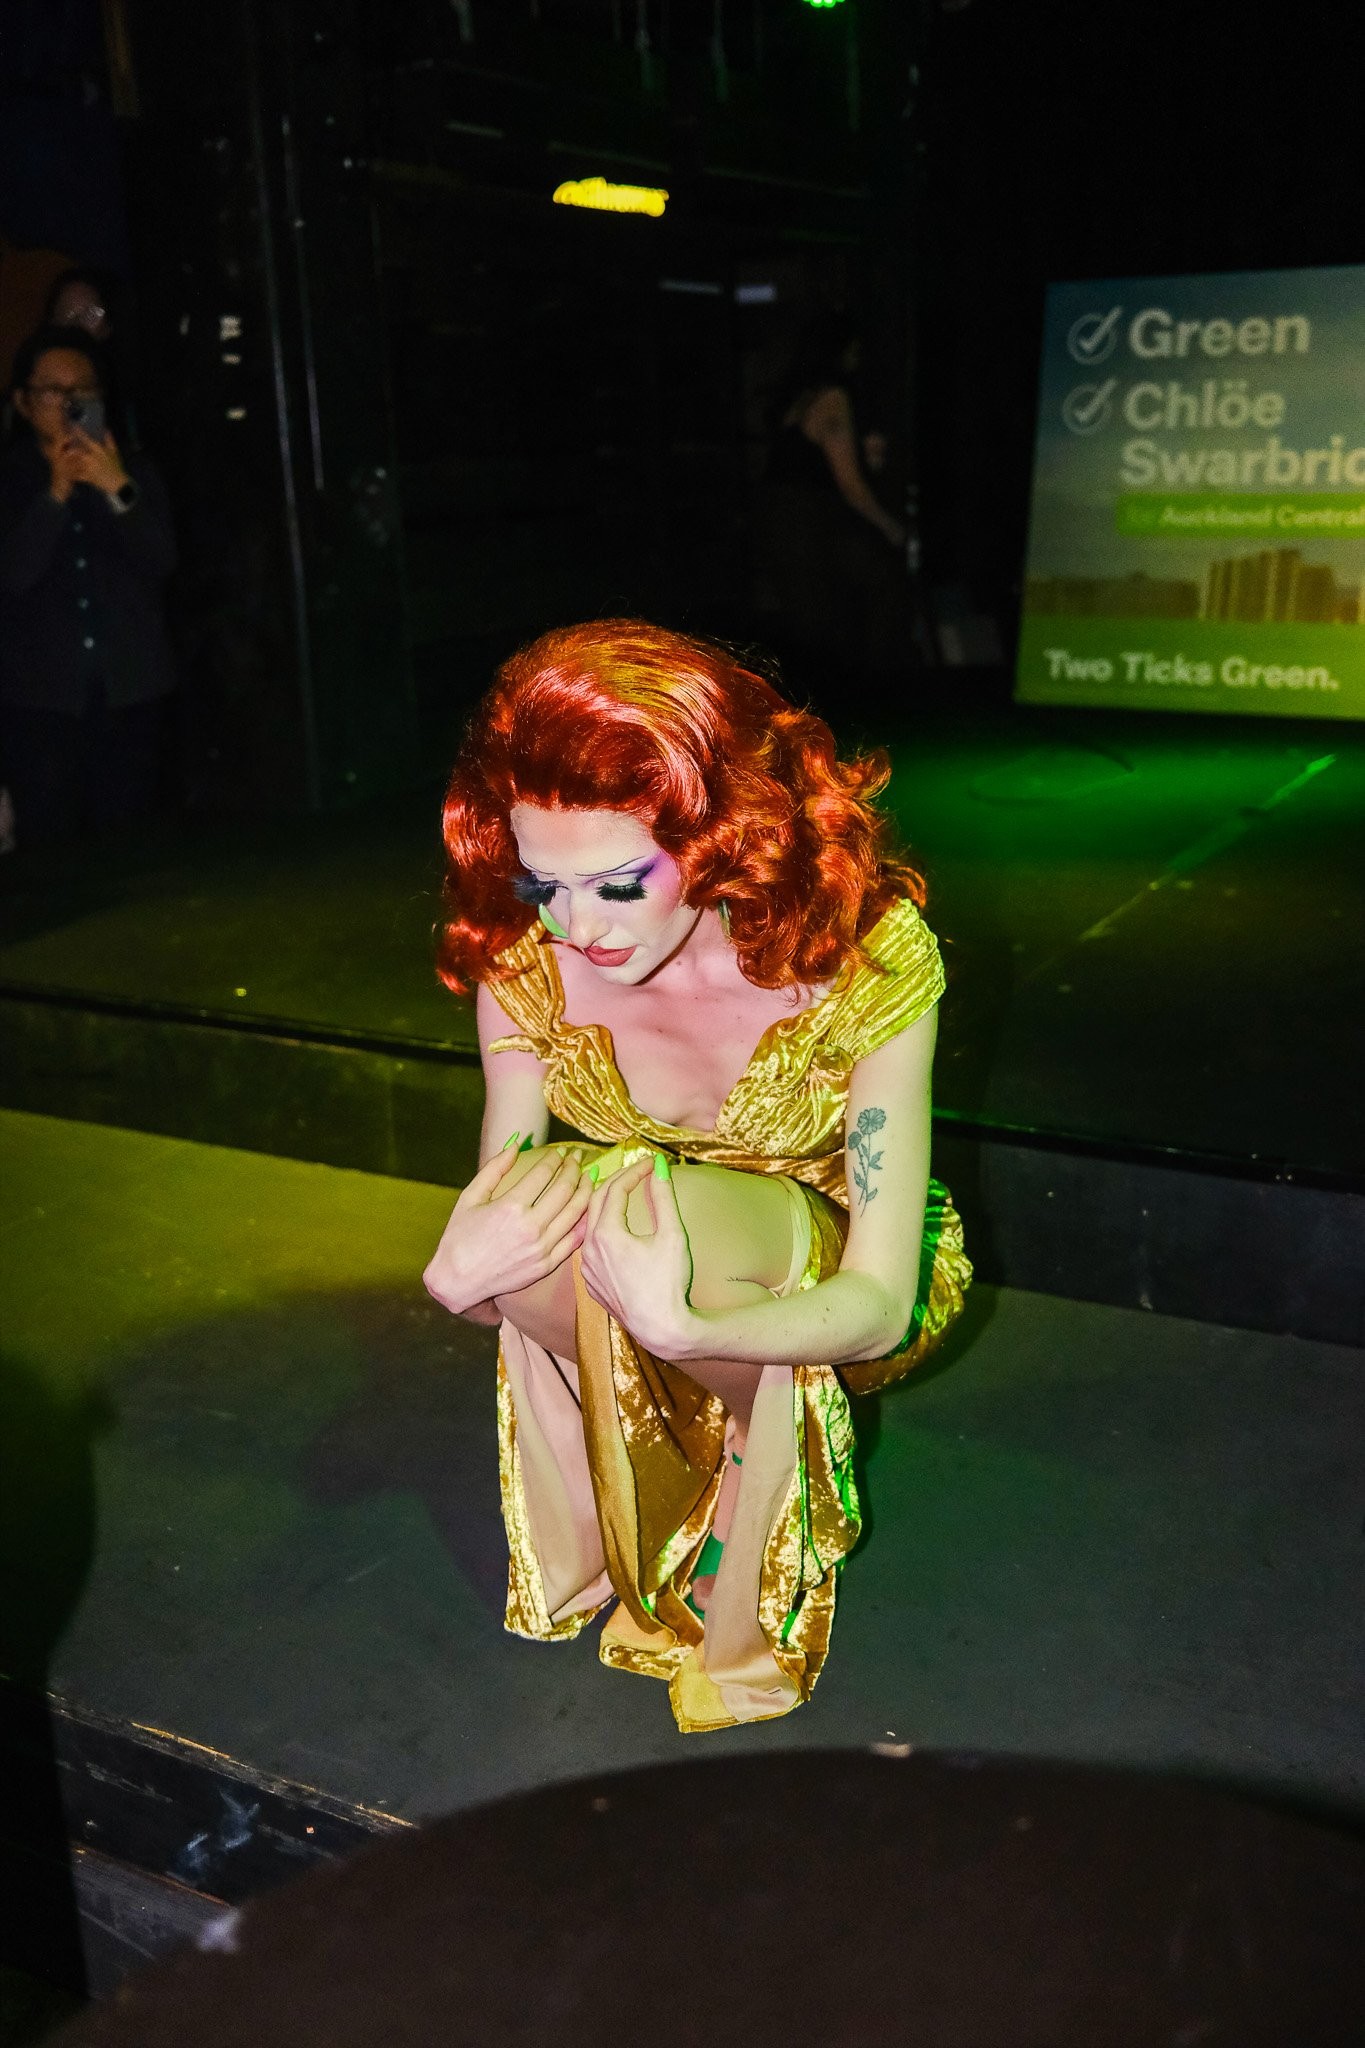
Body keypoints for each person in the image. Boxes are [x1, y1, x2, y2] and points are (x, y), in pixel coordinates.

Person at [422, 620, 971, 1732]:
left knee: (631, 1200)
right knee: (557, 1218)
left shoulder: (864, 951)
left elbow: (877, 1307)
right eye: (544, 885)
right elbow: (513, 1246)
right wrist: (454, 1282)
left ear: (719, 835)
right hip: (645, 1272)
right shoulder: (526, 965)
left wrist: (679, 1328)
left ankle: (741, 1474)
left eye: (619, 883)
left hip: (843, 1261)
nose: (578, 928)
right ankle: (714, 1450)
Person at [0, 325, 176, 844]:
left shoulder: (134, 470)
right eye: (54, 391)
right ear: (24, 402)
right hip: (42, 702)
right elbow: (13, 575)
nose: (70, 403)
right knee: (50, 848)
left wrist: (116, 487)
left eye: (84, 391)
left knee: (136, 843)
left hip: (132, 693)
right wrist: (55, 494)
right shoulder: (10, 480)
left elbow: (163, 560)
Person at [757, 317, 910, 692]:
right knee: (870, 588)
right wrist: (891, 527)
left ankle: (834, 699)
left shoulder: (798, 397)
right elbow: (850, 484)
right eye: (855, 351)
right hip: (808, 521)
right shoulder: (833, 400)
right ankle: (874, 690)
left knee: (810, 618)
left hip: (783, 517)